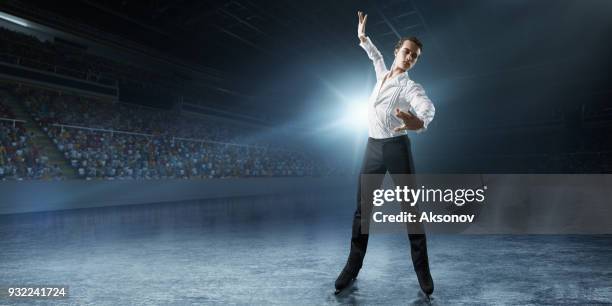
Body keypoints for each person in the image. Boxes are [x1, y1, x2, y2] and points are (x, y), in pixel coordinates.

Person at [334, 11, 436, 297]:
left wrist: (421, 122)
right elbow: (376, 58)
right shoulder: (382, 74)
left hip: (397, 149)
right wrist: (363, 38)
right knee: (362, 212)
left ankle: (423, 273)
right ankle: (352, 269)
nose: (409, 57)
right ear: (397, 51)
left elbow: (426, 106)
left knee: (411, 212)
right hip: (372, 148)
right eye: (406, 51)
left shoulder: (410, 86)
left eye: (414, 56)